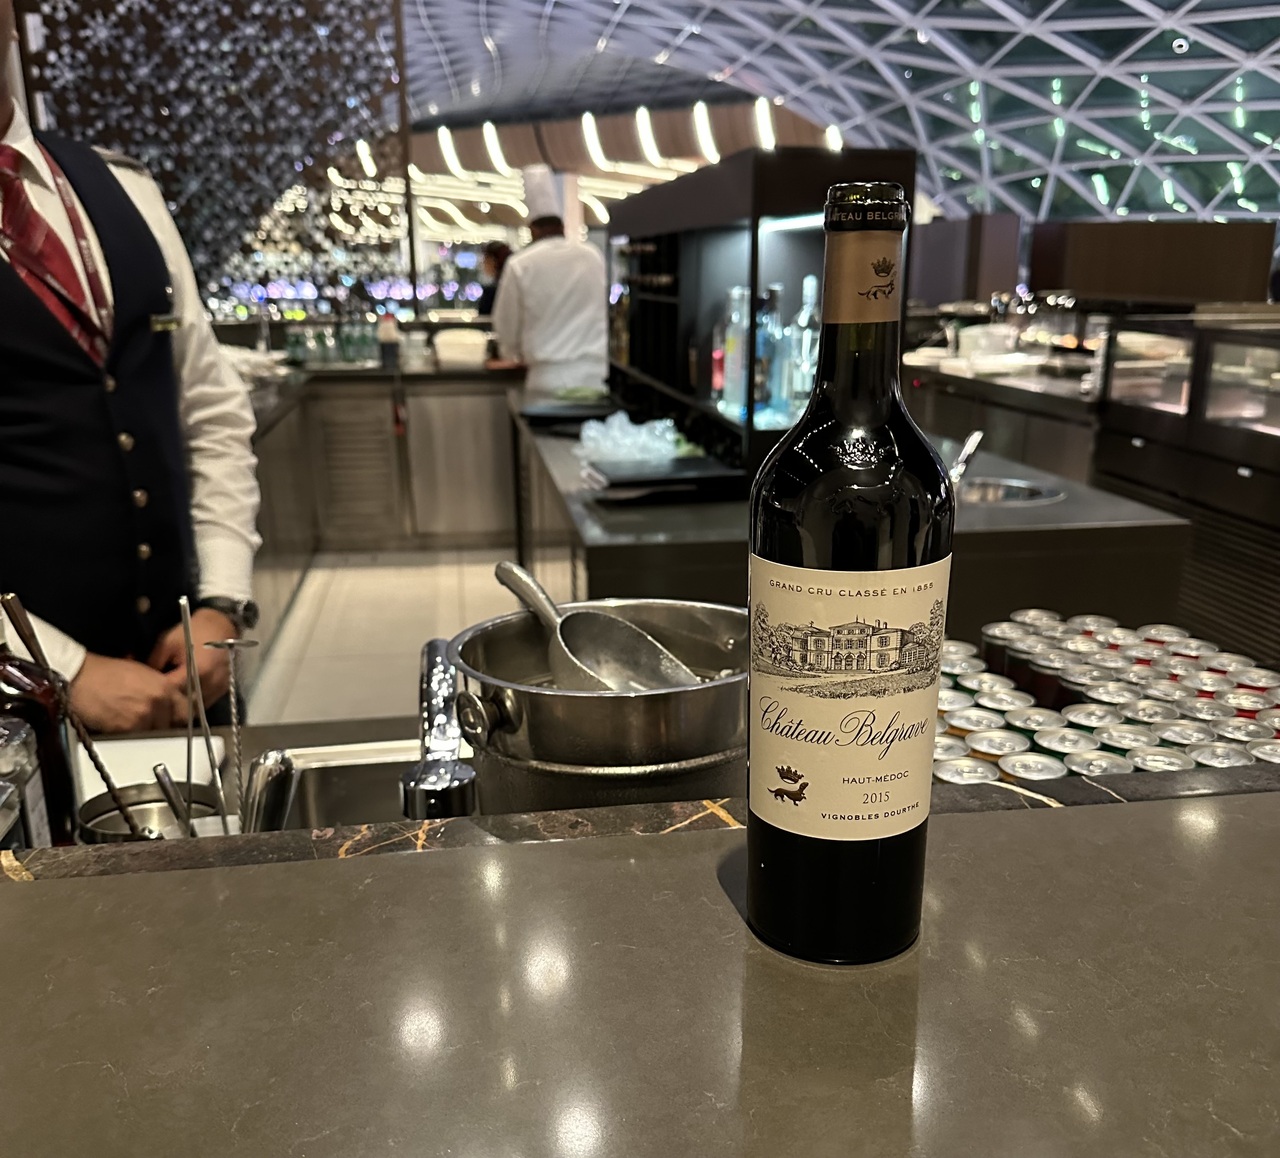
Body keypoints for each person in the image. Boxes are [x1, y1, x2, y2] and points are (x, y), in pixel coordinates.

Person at [0, 3, 261, 733]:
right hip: (18, 714)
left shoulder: (124, 188)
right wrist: (60, 668)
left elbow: (209, 409)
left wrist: (222, 602)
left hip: (187, 676)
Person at [492, 165, 607, 399]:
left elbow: (505, 324)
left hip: (546, 381)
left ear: (532, 229)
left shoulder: (521, 264)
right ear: (562, 225)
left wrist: (510, 352)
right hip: (594, 377)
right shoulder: (592, 256)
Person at [475, 240, 511, 317]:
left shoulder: (491, 292)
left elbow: (484, 318)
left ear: (494, 261)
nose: (483, 264)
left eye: (485, 259)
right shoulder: (515, 286)